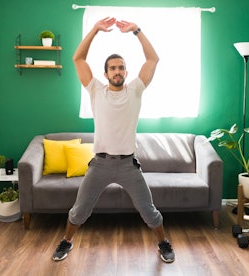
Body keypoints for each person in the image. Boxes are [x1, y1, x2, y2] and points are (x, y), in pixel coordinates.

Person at [52, 17, 175, 263]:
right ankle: (66, 242)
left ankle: (163, 243)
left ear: (126, 72)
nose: (117, 71)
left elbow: (153, 59)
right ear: (106, 73)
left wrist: (137, 31)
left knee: (149, 212)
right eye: (113, 68)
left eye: (121, 68)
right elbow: (78, 59)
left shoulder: (135, 90)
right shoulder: (96, 90)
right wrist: (95, 30)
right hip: (100, 164)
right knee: (79, 211)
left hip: (128, 165)